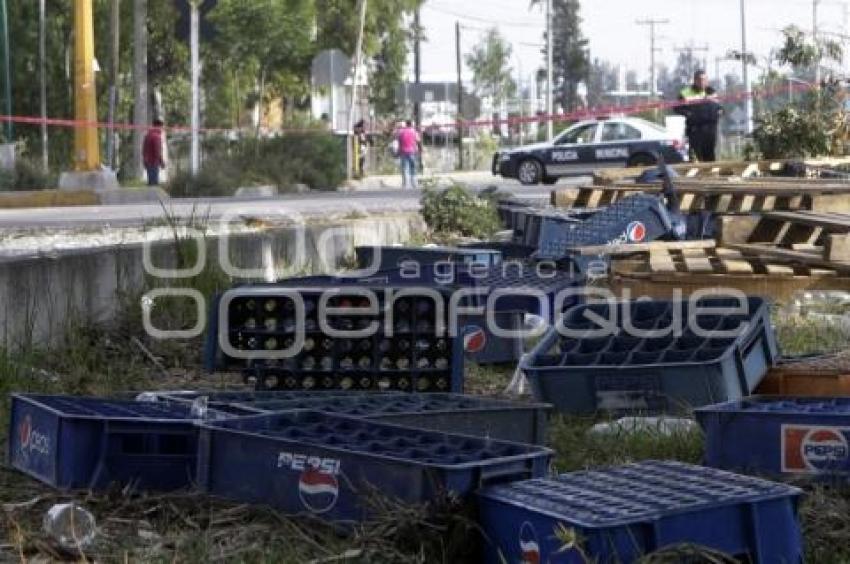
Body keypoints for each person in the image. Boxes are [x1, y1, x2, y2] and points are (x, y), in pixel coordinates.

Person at [675, 70, 722, 163]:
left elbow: (719, 107)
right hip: (695, 130)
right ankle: (698, 176)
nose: (702, 82)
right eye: (700, 80)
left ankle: (710, 176)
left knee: (710, 156)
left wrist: (720, 112)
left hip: (710, 129)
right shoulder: (685, 93)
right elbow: (677, 107)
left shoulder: (712, 92)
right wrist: (688, 114)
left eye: (704, 79)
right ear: (695, 80)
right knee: (696, 156)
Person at [396, 120, 421, 189]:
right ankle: (414, 183)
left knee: (404, 168)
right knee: (413, 167)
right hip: (412, 151)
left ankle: (405, 183)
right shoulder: (414, 132)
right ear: (412, 125)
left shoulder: (401, 132)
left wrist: (398, 152)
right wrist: (420, 150)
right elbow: (418, 141)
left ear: (406, 124)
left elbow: (399, 142)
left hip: (403, 152)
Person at [142, 118, 166, 186]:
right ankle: (152, 196)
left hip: (148, 162)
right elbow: (157, 151)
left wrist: (145, 160)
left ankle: (149, 195)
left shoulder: (147, 135)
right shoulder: (156, 136)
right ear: (159, 126)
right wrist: (161, 162)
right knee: (154, 184)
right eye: (162, 127)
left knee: (150, 183)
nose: (162, 130)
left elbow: (143, 149)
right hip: (154, 163)